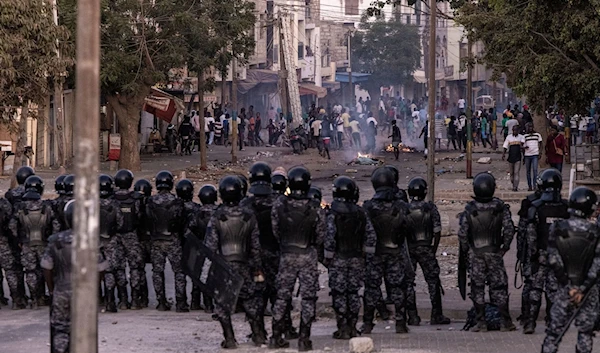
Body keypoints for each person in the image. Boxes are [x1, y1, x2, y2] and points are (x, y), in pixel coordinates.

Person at [203, 176, 265, 348]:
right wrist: (257, 268)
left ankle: (230, 339)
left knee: (222, 304)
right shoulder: (249, 216)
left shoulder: (217, 217)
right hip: (245, 265)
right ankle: (258, 335)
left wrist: (211, 271)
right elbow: (255, 246)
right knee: (250, 301)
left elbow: (210, 247)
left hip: (224, 267)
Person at [269, 166, 326, 350]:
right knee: (308, 299)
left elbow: (275, 230)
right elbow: (321, 235)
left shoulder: (279, 204)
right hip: (307, 254)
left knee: (282, 297)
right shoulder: (315, 207)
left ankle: (276, 337)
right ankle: (304, 339)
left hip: (286, 253)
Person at [42, 201, 108, 353]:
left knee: (60, 329)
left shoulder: (55, 240)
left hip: (61, 292)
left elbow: (47, 268)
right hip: (84, 293)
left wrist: (52, 290)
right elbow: (101, 268)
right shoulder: (91, 241)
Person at [541, 187, 600, 353]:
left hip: (564, 288)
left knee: (553, 334)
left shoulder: (558, 228)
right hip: (587, 291)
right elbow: (597, 264)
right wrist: (581, 288)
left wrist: (568, 286)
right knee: (585, 334)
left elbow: (553, 259)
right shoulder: (595, 232)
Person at [243, 162, 297, 339]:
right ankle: (285, 329)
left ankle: (257, 332)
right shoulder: (281, 202)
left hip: (253, 258)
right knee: (280, 294)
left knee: (257, 294)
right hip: (277, 254)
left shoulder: (245, 204)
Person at [458, 172, 516, 332]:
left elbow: (463, 234)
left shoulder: (469, 209)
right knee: (499, 287)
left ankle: (481, 322)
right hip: (495, 252)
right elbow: (510, 229)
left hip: (476, 253)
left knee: (477, 288)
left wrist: (467, 252)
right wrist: (505, 247)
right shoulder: (500, 207)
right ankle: (505, 322)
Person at [324, 176, 376, 339]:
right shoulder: (361, 213)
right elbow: (371, 236)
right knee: (353, 293)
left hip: (338, 259)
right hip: (356, 259)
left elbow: (329, 237)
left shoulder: (333, 213)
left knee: (339, 293)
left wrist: (328, 258)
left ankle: (342, 328)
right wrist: (366, 256)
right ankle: (352, 327)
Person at [361, 167, 409, 334]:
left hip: (374, 254)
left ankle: (367, 323)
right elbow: (407, 228)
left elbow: (363, 232)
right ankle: (401, 323)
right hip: (395, 251)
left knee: (371, 289)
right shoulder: (401, 206)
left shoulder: (367, 207)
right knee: (398, 288)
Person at [523, 169, 569, 334]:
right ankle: (552, 322)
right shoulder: (566, 209)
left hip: (540, 256)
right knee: (554, 291)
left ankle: (530, 323)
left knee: (535, 290)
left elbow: (530, 234)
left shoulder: (536, 208)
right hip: (559, 257)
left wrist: (532, 254)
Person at [404, 177, 451, 325]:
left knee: (408, 282)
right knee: (433, 281)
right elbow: (437, 231)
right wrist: (433, 249)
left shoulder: (404, 209)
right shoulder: (430, 208)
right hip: (426, 247)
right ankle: (436, 315)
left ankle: (412, 316)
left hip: (410, 248)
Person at [9, 175, 60, 308]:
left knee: (31, 271)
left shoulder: (20, 207)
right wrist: (52, 240)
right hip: (44, 243)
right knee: (46, 269)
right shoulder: (46, 206)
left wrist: (18, 240)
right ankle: (46, 296)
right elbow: (56, 225)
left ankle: (34, 299)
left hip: (26, 243)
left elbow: (12, 226)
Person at [146, 170, 187, 312]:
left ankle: (161, 302)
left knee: (157, 272)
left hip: (156, 240)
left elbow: (147, 220)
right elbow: (182, 221)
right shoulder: (178, 202)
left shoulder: (150, 201)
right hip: (173, 240)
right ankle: (181, 303)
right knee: (179, 272)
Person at [113, 169, 145, 310]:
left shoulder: (111, 199)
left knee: (119, 268)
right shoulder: (136, 199)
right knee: (135, 267)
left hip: (116, 237)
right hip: (132, 236)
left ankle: (123, 300)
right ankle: (135, 300)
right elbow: (141, 217)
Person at [97, 174, 126, 312]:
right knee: (109, 271)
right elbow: (120, 223)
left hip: (94, 241)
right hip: (111, 241)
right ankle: (110, 301)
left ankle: (96, 300)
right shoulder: (115, 205)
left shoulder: (89, 204)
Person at [133, 178, 152, 308]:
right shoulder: (154, 203)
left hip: (138, 239)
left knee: (139, 270)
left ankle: (140, 299)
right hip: (153, 240)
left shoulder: (133, 204)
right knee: (158, 271)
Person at [502, 125, 525, 191]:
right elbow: (505, 146)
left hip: (518, 157)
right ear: (512, 130)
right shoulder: (509, 137)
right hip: (510, 157)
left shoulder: (521, 137)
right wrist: (503, 154)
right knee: (511, 173)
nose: (515, 131)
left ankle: (515, 187)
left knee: (516, 172)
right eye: (514, 130)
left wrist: (524, 157)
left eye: (516, 130)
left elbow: (522, 148)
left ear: (518, 130)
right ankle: (513, 183)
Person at [523, 123, 543, 191]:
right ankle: (530, 186)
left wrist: (540, 152)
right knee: (528, 171)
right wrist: (524, 147)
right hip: (527, 155)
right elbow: (522, 145)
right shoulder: (525, 136)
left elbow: (541, 144)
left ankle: (535, 185)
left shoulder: (537, 135)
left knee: (535, 170)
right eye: (529, 127)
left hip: (535, 154)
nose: (530, 128)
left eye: (531, 127)